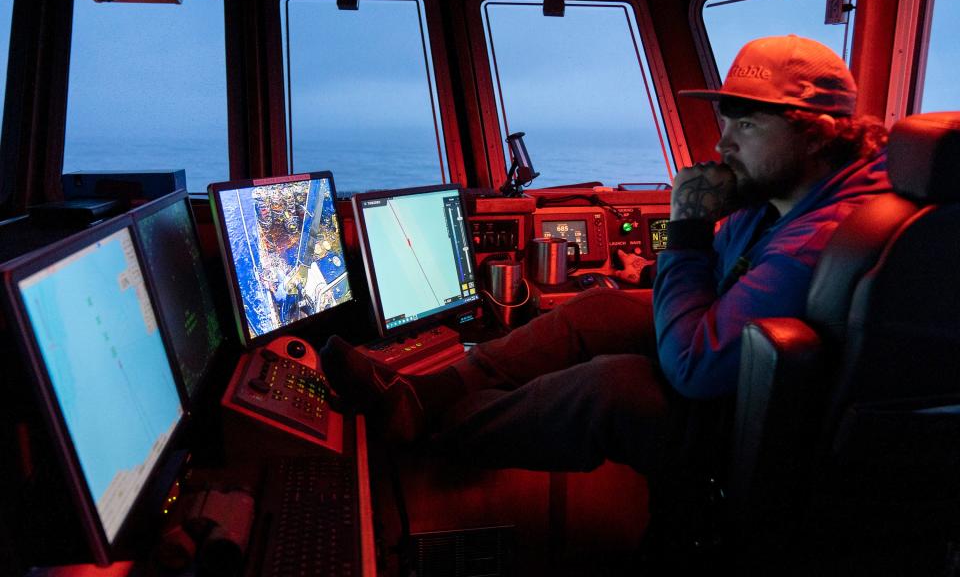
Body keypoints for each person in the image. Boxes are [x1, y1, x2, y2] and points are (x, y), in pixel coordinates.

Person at [321, 34, 890, 473]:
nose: (723, 144)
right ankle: (423, 396)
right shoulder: (784, 197)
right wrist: (657, 265)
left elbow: (694, 367)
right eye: (725, 122)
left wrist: (685, 230)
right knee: (604, 310)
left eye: (747, 124)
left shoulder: (826, 235)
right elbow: (720, 273)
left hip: (761, 430)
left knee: (615, 387)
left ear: (816, 134)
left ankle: (427, 439)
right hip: (745, 379)